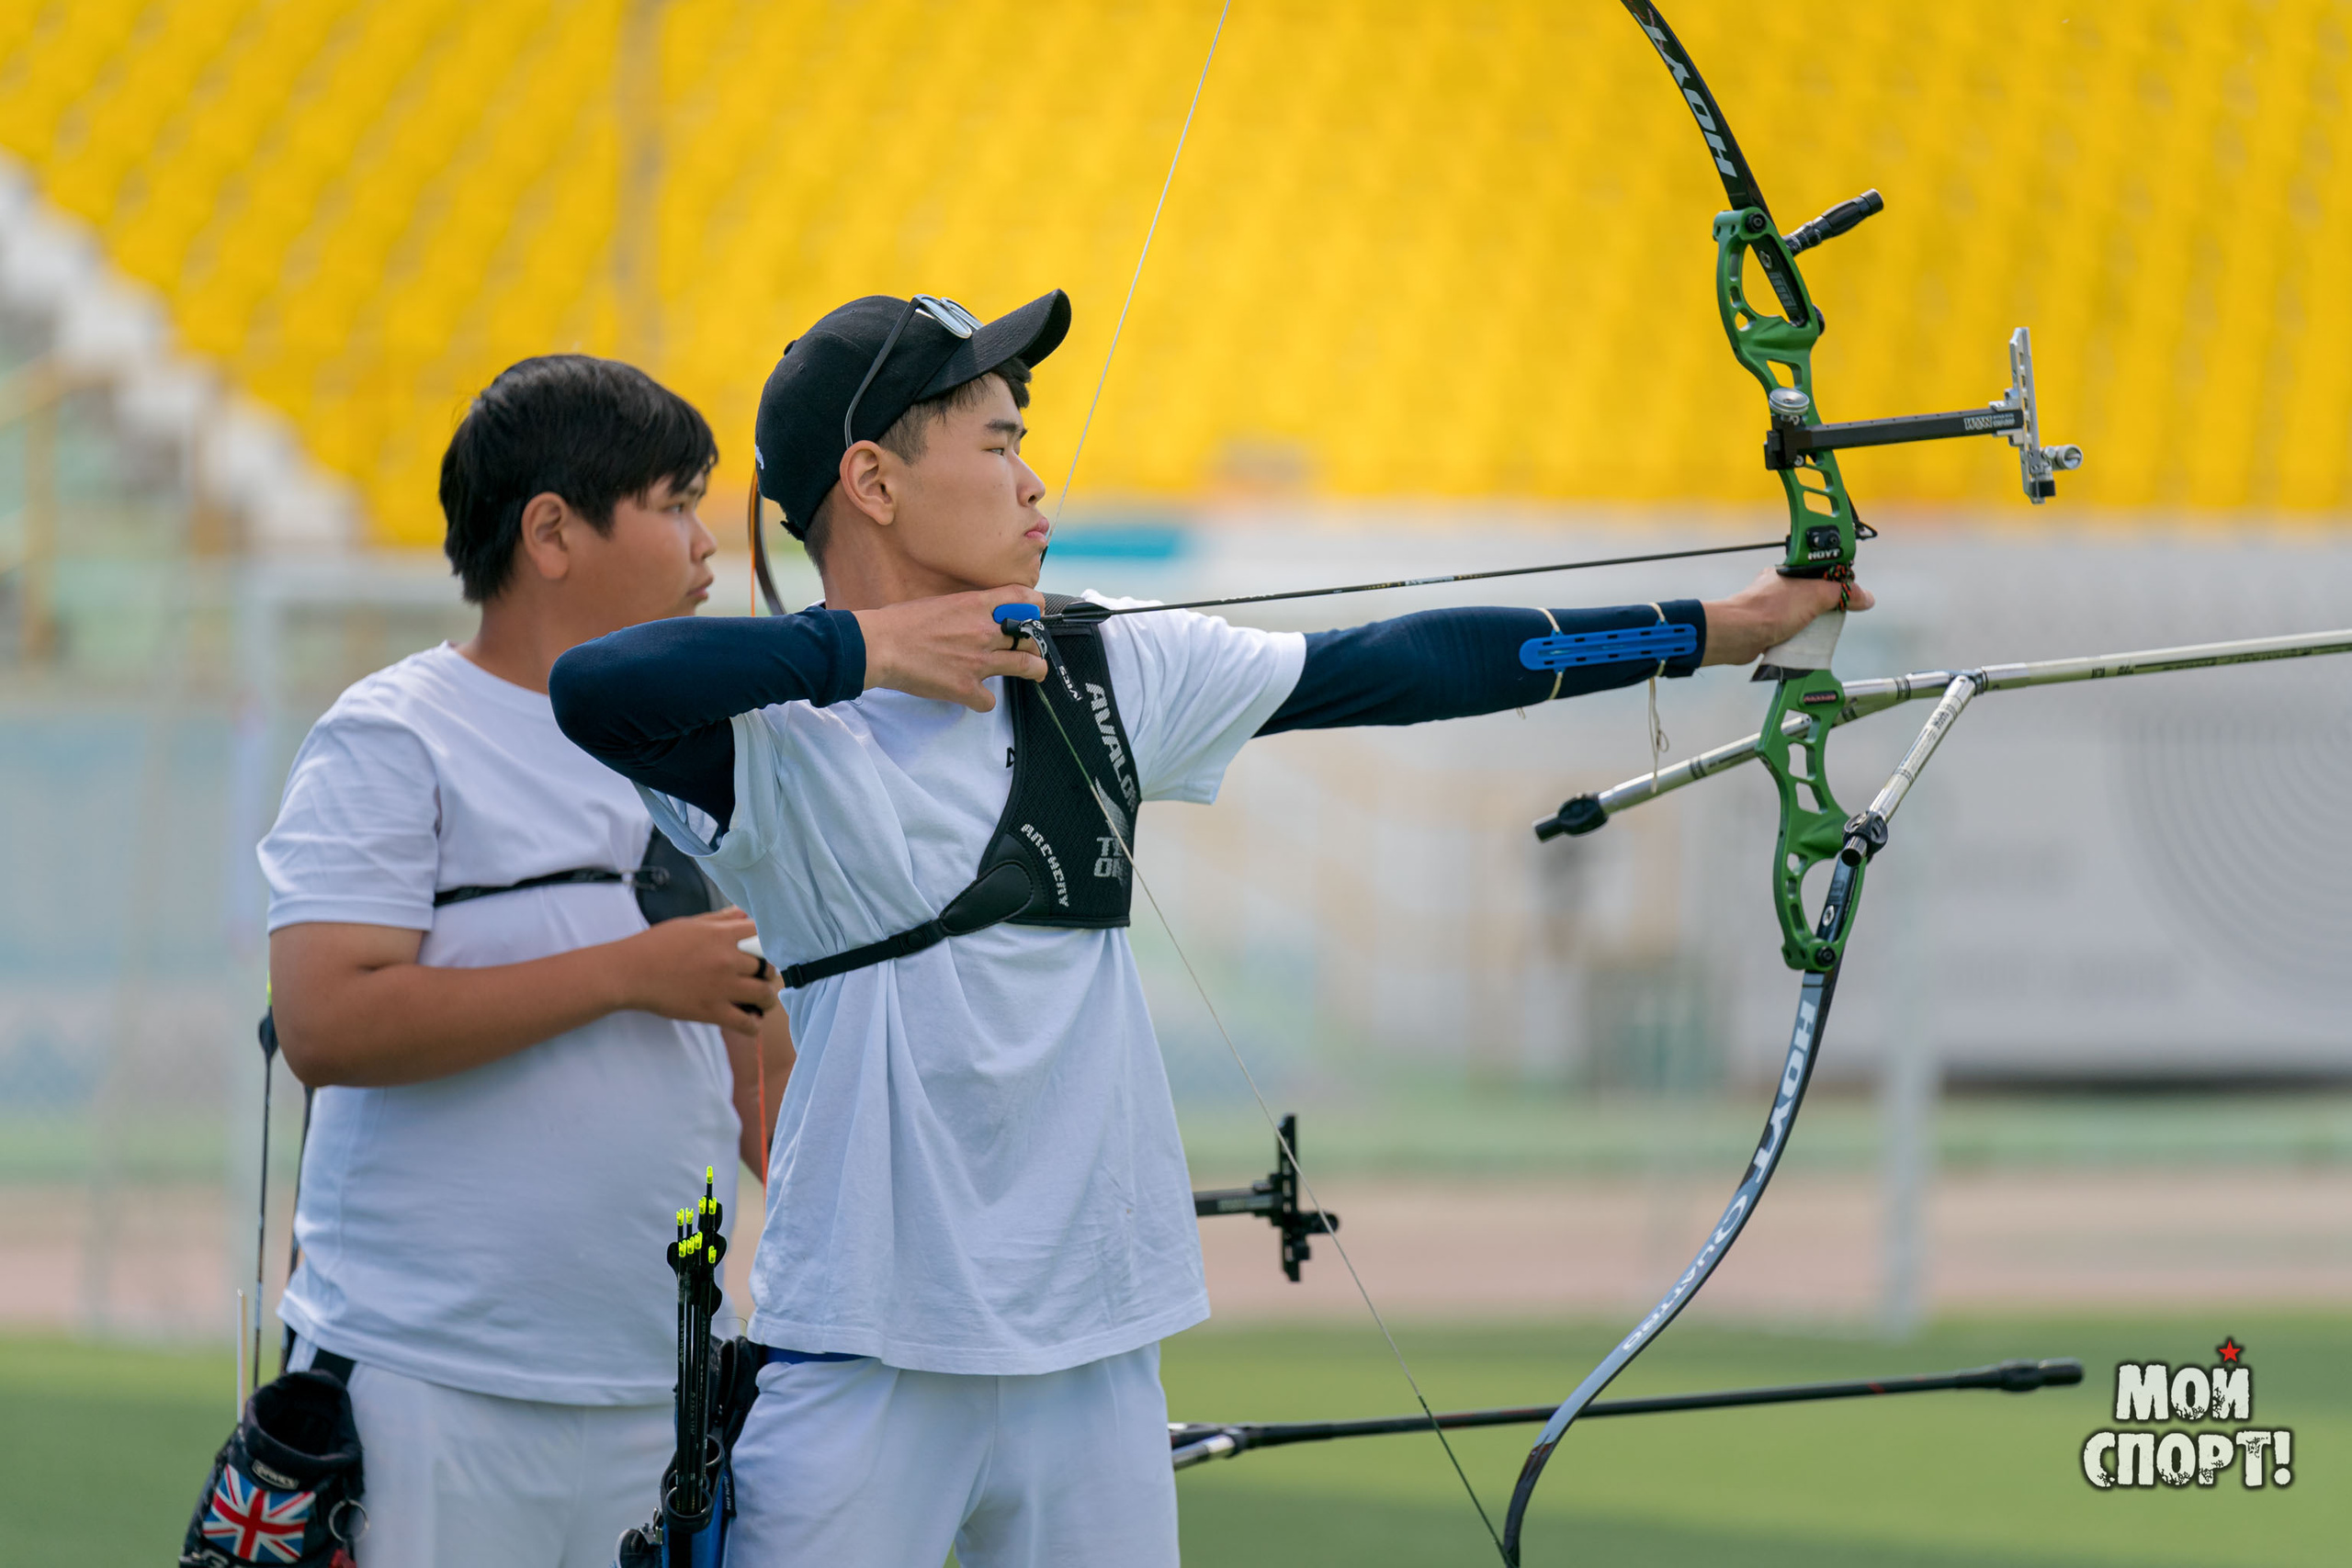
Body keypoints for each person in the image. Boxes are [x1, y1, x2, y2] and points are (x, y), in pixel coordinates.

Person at [548, 291, 1869, 1567]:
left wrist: (1725, 627)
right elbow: (596, 684)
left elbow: (1404, 665)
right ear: (875, 485)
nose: (1033, 484)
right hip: (867, 1346)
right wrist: (877, 649)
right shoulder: (778, 734)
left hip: (1099, 1351)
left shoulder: (1103, 664)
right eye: (998, 442)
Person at [259, 355, 793, 1568]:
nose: (707, 545)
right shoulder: (393, 734)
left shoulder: (706, 757)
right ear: (552, 532)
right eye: (674, 504)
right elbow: (328, 1023)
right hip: (429, 1393)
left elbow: (762, 1079)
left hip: (656, 1398)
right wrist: (626, 974)